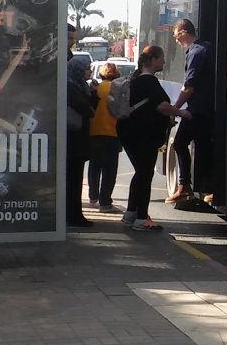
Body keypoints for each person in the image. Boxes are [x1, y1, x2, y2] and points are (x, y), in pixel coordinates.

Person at [118, 44, 190, 232]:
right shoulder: (149, 81)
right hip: (143, 136)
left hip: (130, 133)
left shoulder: (135, 79)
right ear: (152, 60)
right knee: (145, 175)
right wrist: (182, 113)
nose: (164, 62)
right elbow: (162, 106)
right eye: (161, 58)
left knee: (141, 173)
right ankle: (141, 218)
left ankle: (131, 214)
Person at [167, 18, 216, 207]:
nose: (176, 41)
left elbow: (189, 87)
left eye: (176, 36)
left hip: (199, 109)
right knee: (197, 146)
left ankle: (190, 186)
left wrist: (175, 109)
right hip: (202, 107)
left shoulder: (196, 52)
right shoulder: (206, 47)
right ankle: (191, 186)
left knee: (184, 144)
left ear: (183, 33)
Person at [87, 61, 123, 211]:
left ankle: (93, 196)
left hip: (94, 132)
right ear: (116, 75)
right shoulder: (117, 89)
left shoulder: (95, 88)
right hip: (112, 132)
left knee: (94, 167)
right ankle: (105, 201)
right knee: (109, 170)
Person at [65, 55, 96, 227]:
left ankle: (75, 214)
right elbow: (86, 109)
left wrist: (94, 95)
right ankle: (72, 215)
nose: (89, 71)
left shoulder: (81, 86)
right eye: (86, 68)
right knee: (72, 180)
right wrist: (90, 103)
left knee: (76, 180)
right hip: (72, 140)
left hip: (80, 138)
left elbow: (91, 108)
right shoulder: (71, 86)